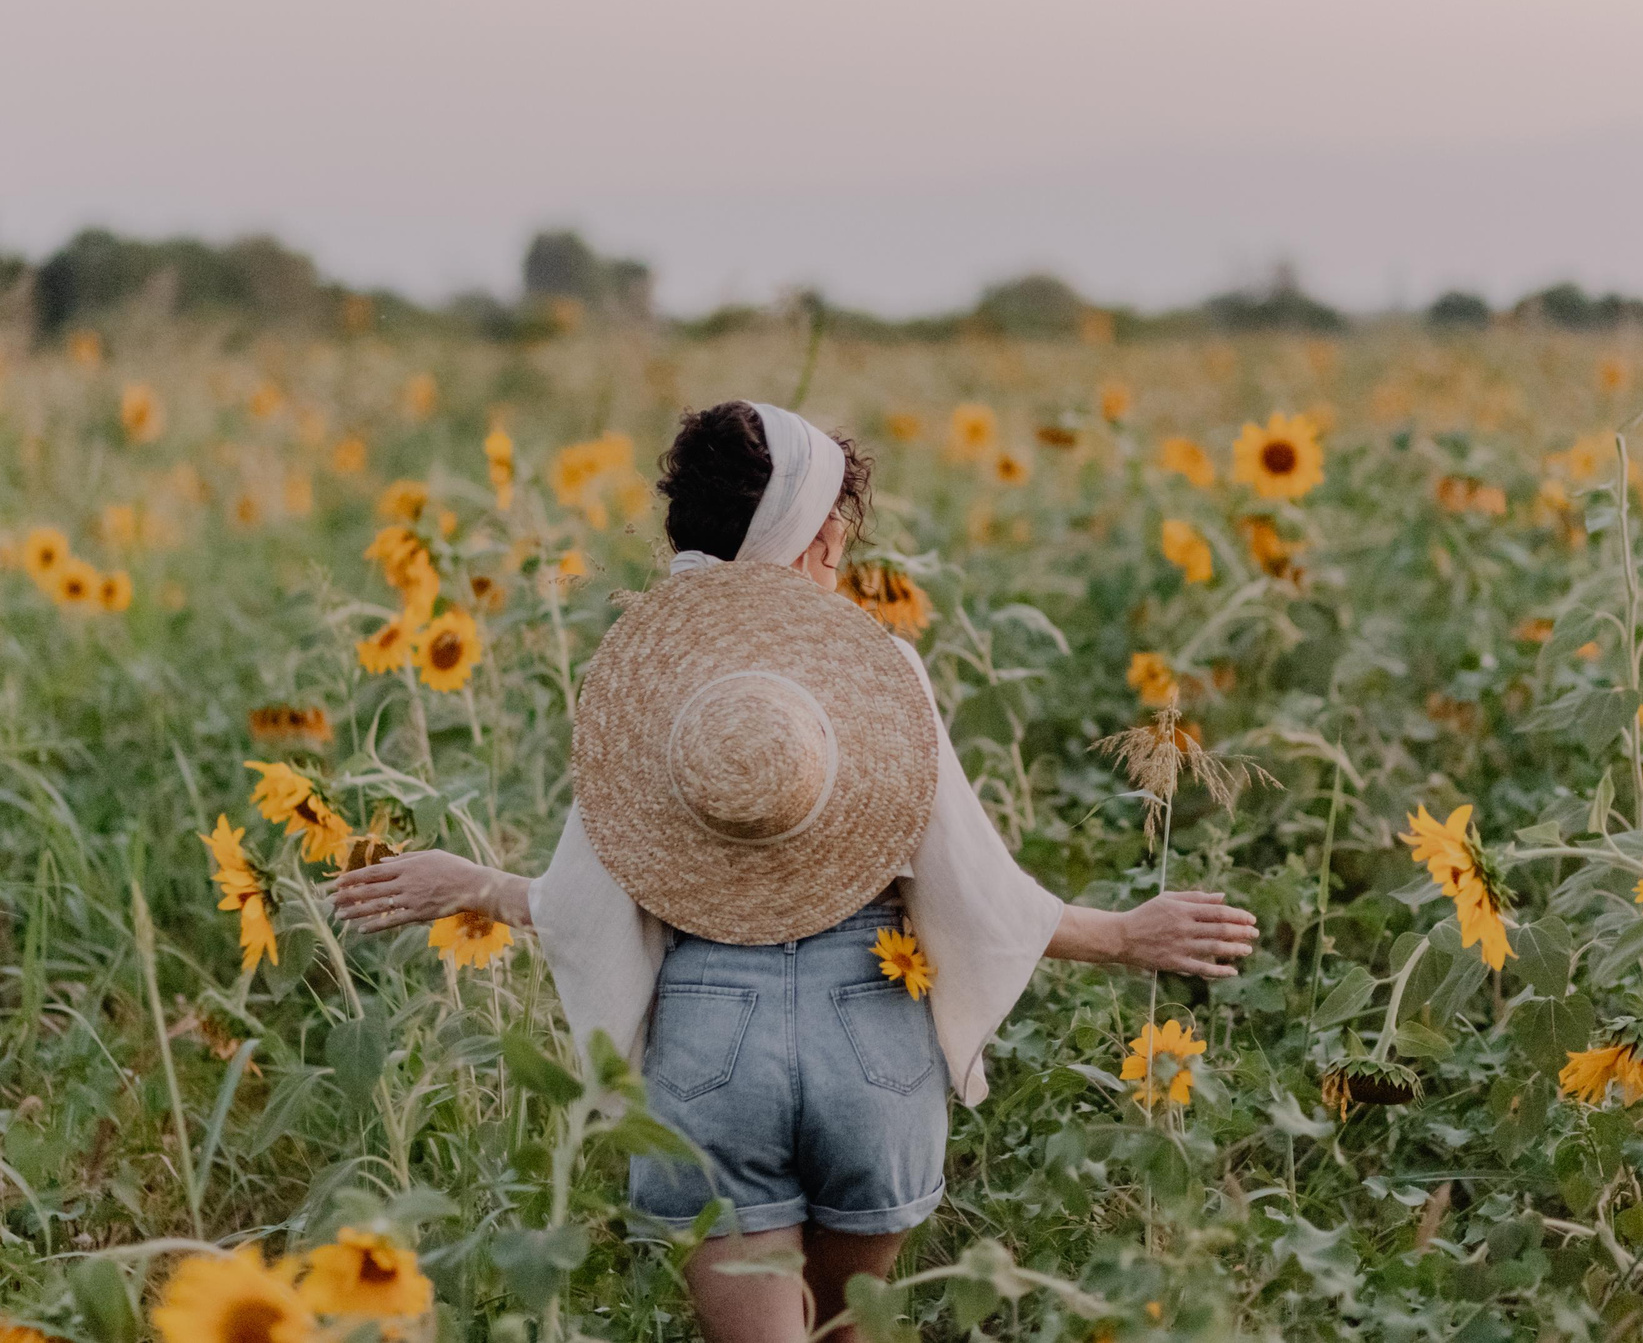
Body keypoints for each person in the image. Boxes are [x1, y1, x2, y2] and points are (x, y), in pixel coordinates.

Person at [334, 400, 1257, 1343]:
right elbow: (972, 887)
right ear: (814, 539)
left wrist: (471, 882)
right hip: (872, 1029)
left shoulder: (658, 671)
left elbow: (583, 901)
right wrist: (1125, 934)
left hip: (709, 1042)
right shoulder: (879, 669)